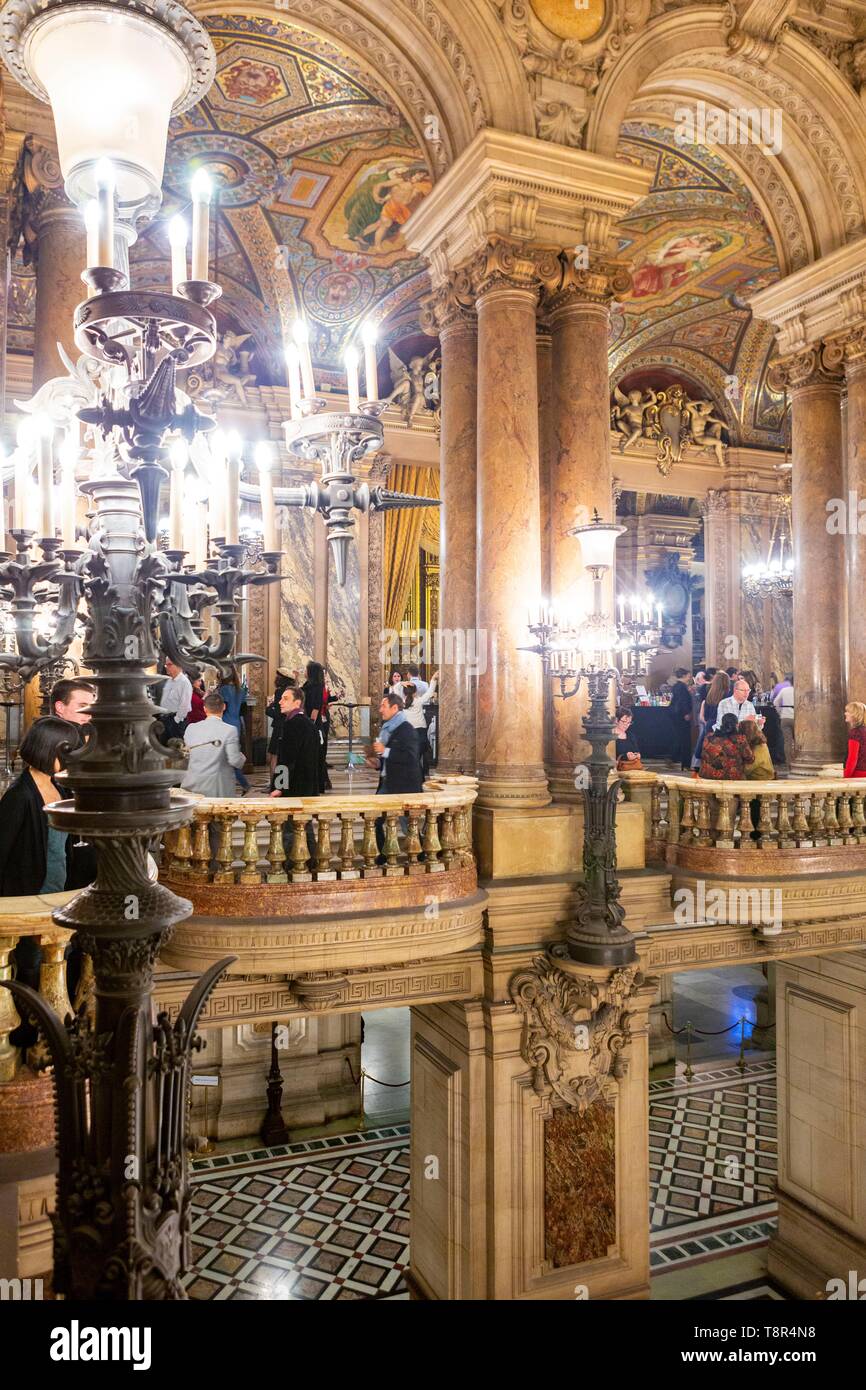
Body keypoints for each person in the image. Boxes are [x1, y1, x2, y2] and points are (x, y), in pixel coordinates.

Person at [0, 718, 94, 1042]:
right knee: (31, 966)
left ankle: (57, 1034)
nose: (71, 759)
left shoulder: (62, 787)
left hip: (61, 893)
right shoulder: (19, 797)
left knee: (63, 960)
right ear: (47, 750)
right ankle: (30, 1037)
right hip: (31, 896)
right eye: (67, 752)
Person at [181, 692, 247, 798]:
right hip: (217, 788)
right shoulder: (229, 730)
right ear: (224, 707)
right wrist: (242, 758)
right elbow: (235, 761)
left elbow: (186, 755)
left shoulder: (191, 728)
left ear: (205, 709)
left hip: (191, 784)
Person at [270, 686, 320, 797]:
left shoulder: (292, 724)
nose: (280, 702)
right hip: (309, 787)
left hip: (294, 788)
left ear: (297, 703)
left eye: (285, 699)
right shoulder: (310, 724)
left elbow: (287, 759)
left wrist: (279, 787)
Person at [370, 693, 423, 795]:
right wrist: (378, 763)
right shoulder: (387, 729)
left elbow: (410, 757)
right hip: (389, 783)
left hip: (404, 788)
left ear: (394, 708)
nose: (380, 710)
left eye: (384, 706)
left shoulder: (407, 730)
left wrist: (384, 751)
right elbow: (390, 757)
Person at [217, 664, 250, 794]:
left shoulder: (224, 690)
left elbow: (222, 708)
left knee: (223, 756)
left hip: (225, 724)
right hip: (236, 724)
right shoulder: (240, 690)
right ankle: (242, 783)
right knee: (231, 755)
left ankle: (242, 783)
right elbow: (244, 711)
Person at [401, 673, 438, 778]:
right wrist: (433, 679)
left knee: (413, 758)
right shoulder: (418, 701)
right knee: (417, 758)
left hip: (409, 734)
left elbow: (393, 690)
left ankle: (415, 779)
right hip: (420, 733)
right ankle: (418, 779)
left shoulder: (402, 702)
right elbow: (430, 692)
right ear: (415, 692)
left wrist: (400, 684)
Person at [302, 660, 331, 793]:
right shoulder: (308, 685)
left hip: (314, 726)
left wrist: (310, 725)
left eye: (306, 669)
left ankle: (320, 784)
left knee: (318, 756)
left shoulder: (317, 687)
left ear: (311, 672)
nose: (304, 671)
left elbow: (315, 708)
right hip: (308, 723)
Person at [693, 670, 730, 771]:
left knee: (706, 748)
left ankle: (702, 769)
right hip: (721, 725)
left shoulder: (710, 695)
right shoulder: (727, 696)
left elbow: (705, 715)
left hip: (709, 723)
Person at [699, 712, 754, 779]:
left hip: (707, 775)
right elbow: (750, 759)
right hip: (730, 778)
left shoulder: (709, 736)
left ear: (722, 724)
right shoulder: (740, 739)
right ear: (737, 725)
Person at [266, 671, 295, 774]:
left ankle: (274, 785)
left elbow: (278, 713)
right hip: (292, 726)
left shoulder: (280, 692)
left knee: (275, 756)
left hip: (280, 727)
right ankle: (284, 784)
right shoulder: (294, 692)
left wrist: (268, 709)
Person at [158, 656, 192, 743]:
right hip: (165, 719)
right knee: (163, 746)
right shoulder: (169, 681)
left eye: (169, 664)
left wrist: (176, 720)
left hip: (175, 721)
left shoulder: (184, 682)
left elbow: (185, 704)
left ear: (179, 666)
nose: (166, 667)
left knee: (176, 749)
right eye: (166, 665)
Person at [667, 668, 693, 771]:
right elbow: (683, 701)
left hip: (676, 715)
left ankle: (675, 759)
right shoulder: (682, 687)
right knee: (685, 739)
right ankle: (685, 763)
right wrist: (686, 713)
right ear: (684, 676)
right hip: (681, 715)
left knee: (679, 737)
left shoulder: (677, 686)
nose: (689, 677)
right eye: (688, 675)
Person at [774, 674, 795, 767]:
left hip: (785, 718)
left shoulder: (784, 690)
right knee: (798, 742)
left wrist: (780, 712)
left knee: (787, 742)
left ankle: (789, 763)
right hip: (798, 719)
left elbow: (775, 702)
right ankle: (797, 761)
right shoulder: (800, 690)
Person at [843, 702, 866, 777]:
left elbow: (852, 759)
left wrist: (845, 777)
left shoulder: (855, 733)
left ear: (855, 715)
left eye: (848, 712)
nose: (845, 713)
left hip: (857, 775)